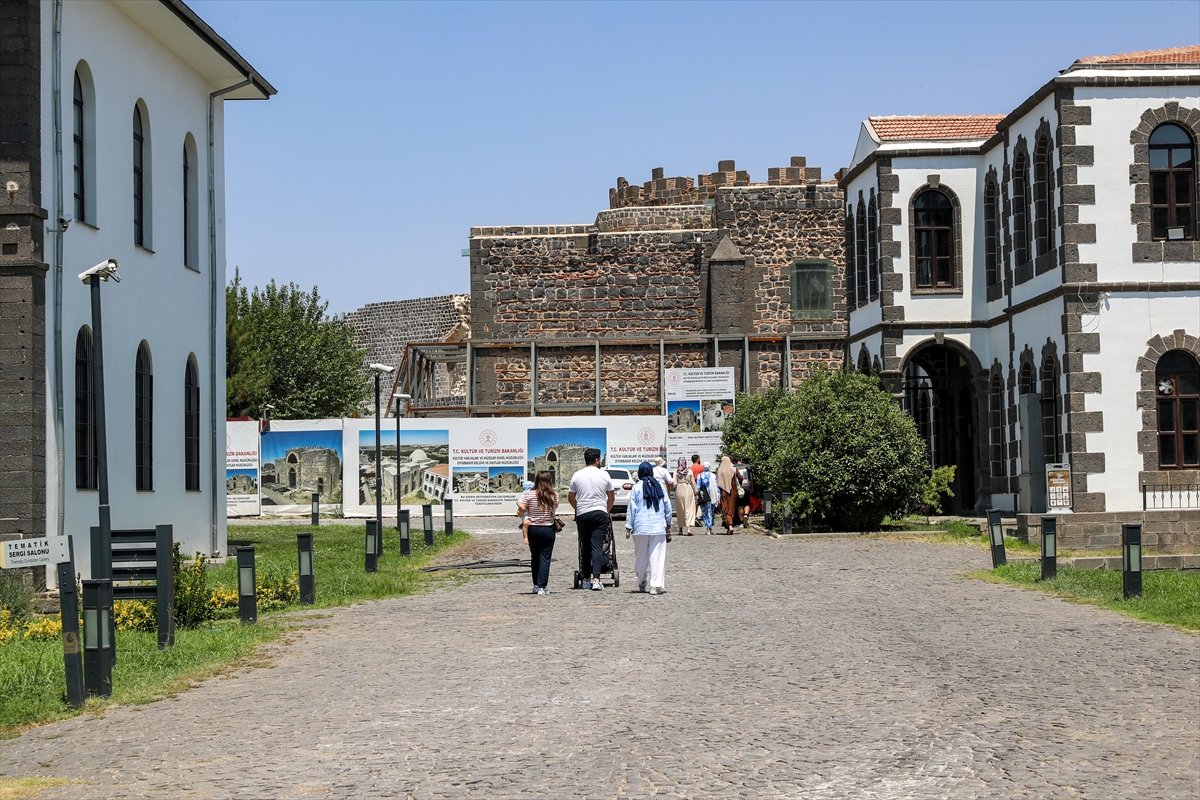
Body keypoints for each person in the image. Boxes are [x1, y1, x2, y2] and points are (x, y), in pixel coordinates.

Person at [568, 447, 614, 591]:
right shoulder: (604, 475)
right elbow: (611, 497)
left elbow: (571, 497)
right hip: (600, 512)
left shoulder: (577, 475)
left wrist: (578, 508)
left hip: (583, 513)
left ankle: (586, 579)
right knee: (598, 546)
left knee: (585, 546)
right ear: (597, 460)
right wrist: (606, 510)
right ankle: (596, 579)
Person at [625, 462, 672, 594]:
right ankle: (655, 586)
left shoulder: (636, 487)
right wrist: (668, 522)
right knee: (657, 557)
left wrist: (629, 526)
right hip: (658, 527)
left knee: (640, 557)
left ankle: (641, 581)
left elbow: (632, 508)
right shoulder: (660, 486)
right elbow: (667, 506)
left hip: (640, 527)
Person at [517, 471, 558, 595]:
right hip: (548, 528)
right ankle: (542, 586)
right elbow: (555, 507)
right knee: (545, 558)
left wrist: (524, 508)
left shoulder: (530, 494)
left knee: (535, 557)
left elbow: (521, 505)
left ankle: (535, 585)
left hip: (533, 528)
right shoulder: (554, 495)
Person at [716, 455, 742, 534]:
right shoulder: (733, 469)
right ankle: (730, 525)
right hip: (732, 491)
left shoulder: (720, 470)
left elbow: (718, 483)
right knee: (732, 509)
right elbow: (740, 478)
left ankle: (729, 526)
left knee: (726, 509)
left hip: (723, 492)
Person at [673, 456, 697, 536]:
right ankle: (689, 528)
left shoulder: (676, 472)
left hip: (679, 490)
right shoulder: (689, 471)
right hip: (688, 489)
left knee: (680, 509)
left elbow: (674, 484)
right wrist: (696, 492)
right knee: (689, 508)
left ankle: (680, 529)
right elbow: (693, 482)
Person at [696, 462, 718, 535]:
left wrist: (697, 495)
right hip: (712, 496)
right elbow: (716, 487)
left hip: (703, 496)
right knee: (710, 512)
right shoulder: (713, 475)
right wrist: (718, 496)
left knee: (705, 513)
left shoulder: (700, 476)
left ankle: (708, 528)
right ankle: (710, 527)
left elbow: (698, 487)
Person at [733, 455, 753, 529]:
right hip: (746, 486)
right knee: (746, 503)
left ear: (734, 461)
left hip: (738, 488)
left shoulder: (733, 467)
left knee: (740, 505)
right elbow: (751, 478)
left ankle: (741, 522)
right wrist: (752, 488)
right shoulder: (747, 466)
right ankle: (746, 514)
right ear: (740, 460)